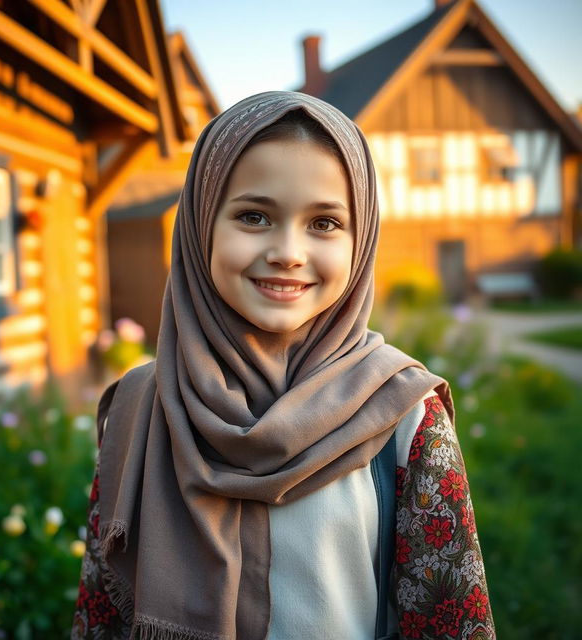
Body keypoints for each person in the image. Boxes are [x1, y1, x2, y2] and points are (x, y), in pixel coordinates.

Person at [72, 91, 495, 640]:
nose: (288, 251)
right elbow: (99, 616)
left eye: (324, 223)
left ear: (361, 238)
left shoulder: (404, 416)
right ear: (201, 225)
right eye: (254, 216)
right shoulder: (141, 407)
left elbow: (452, 625)